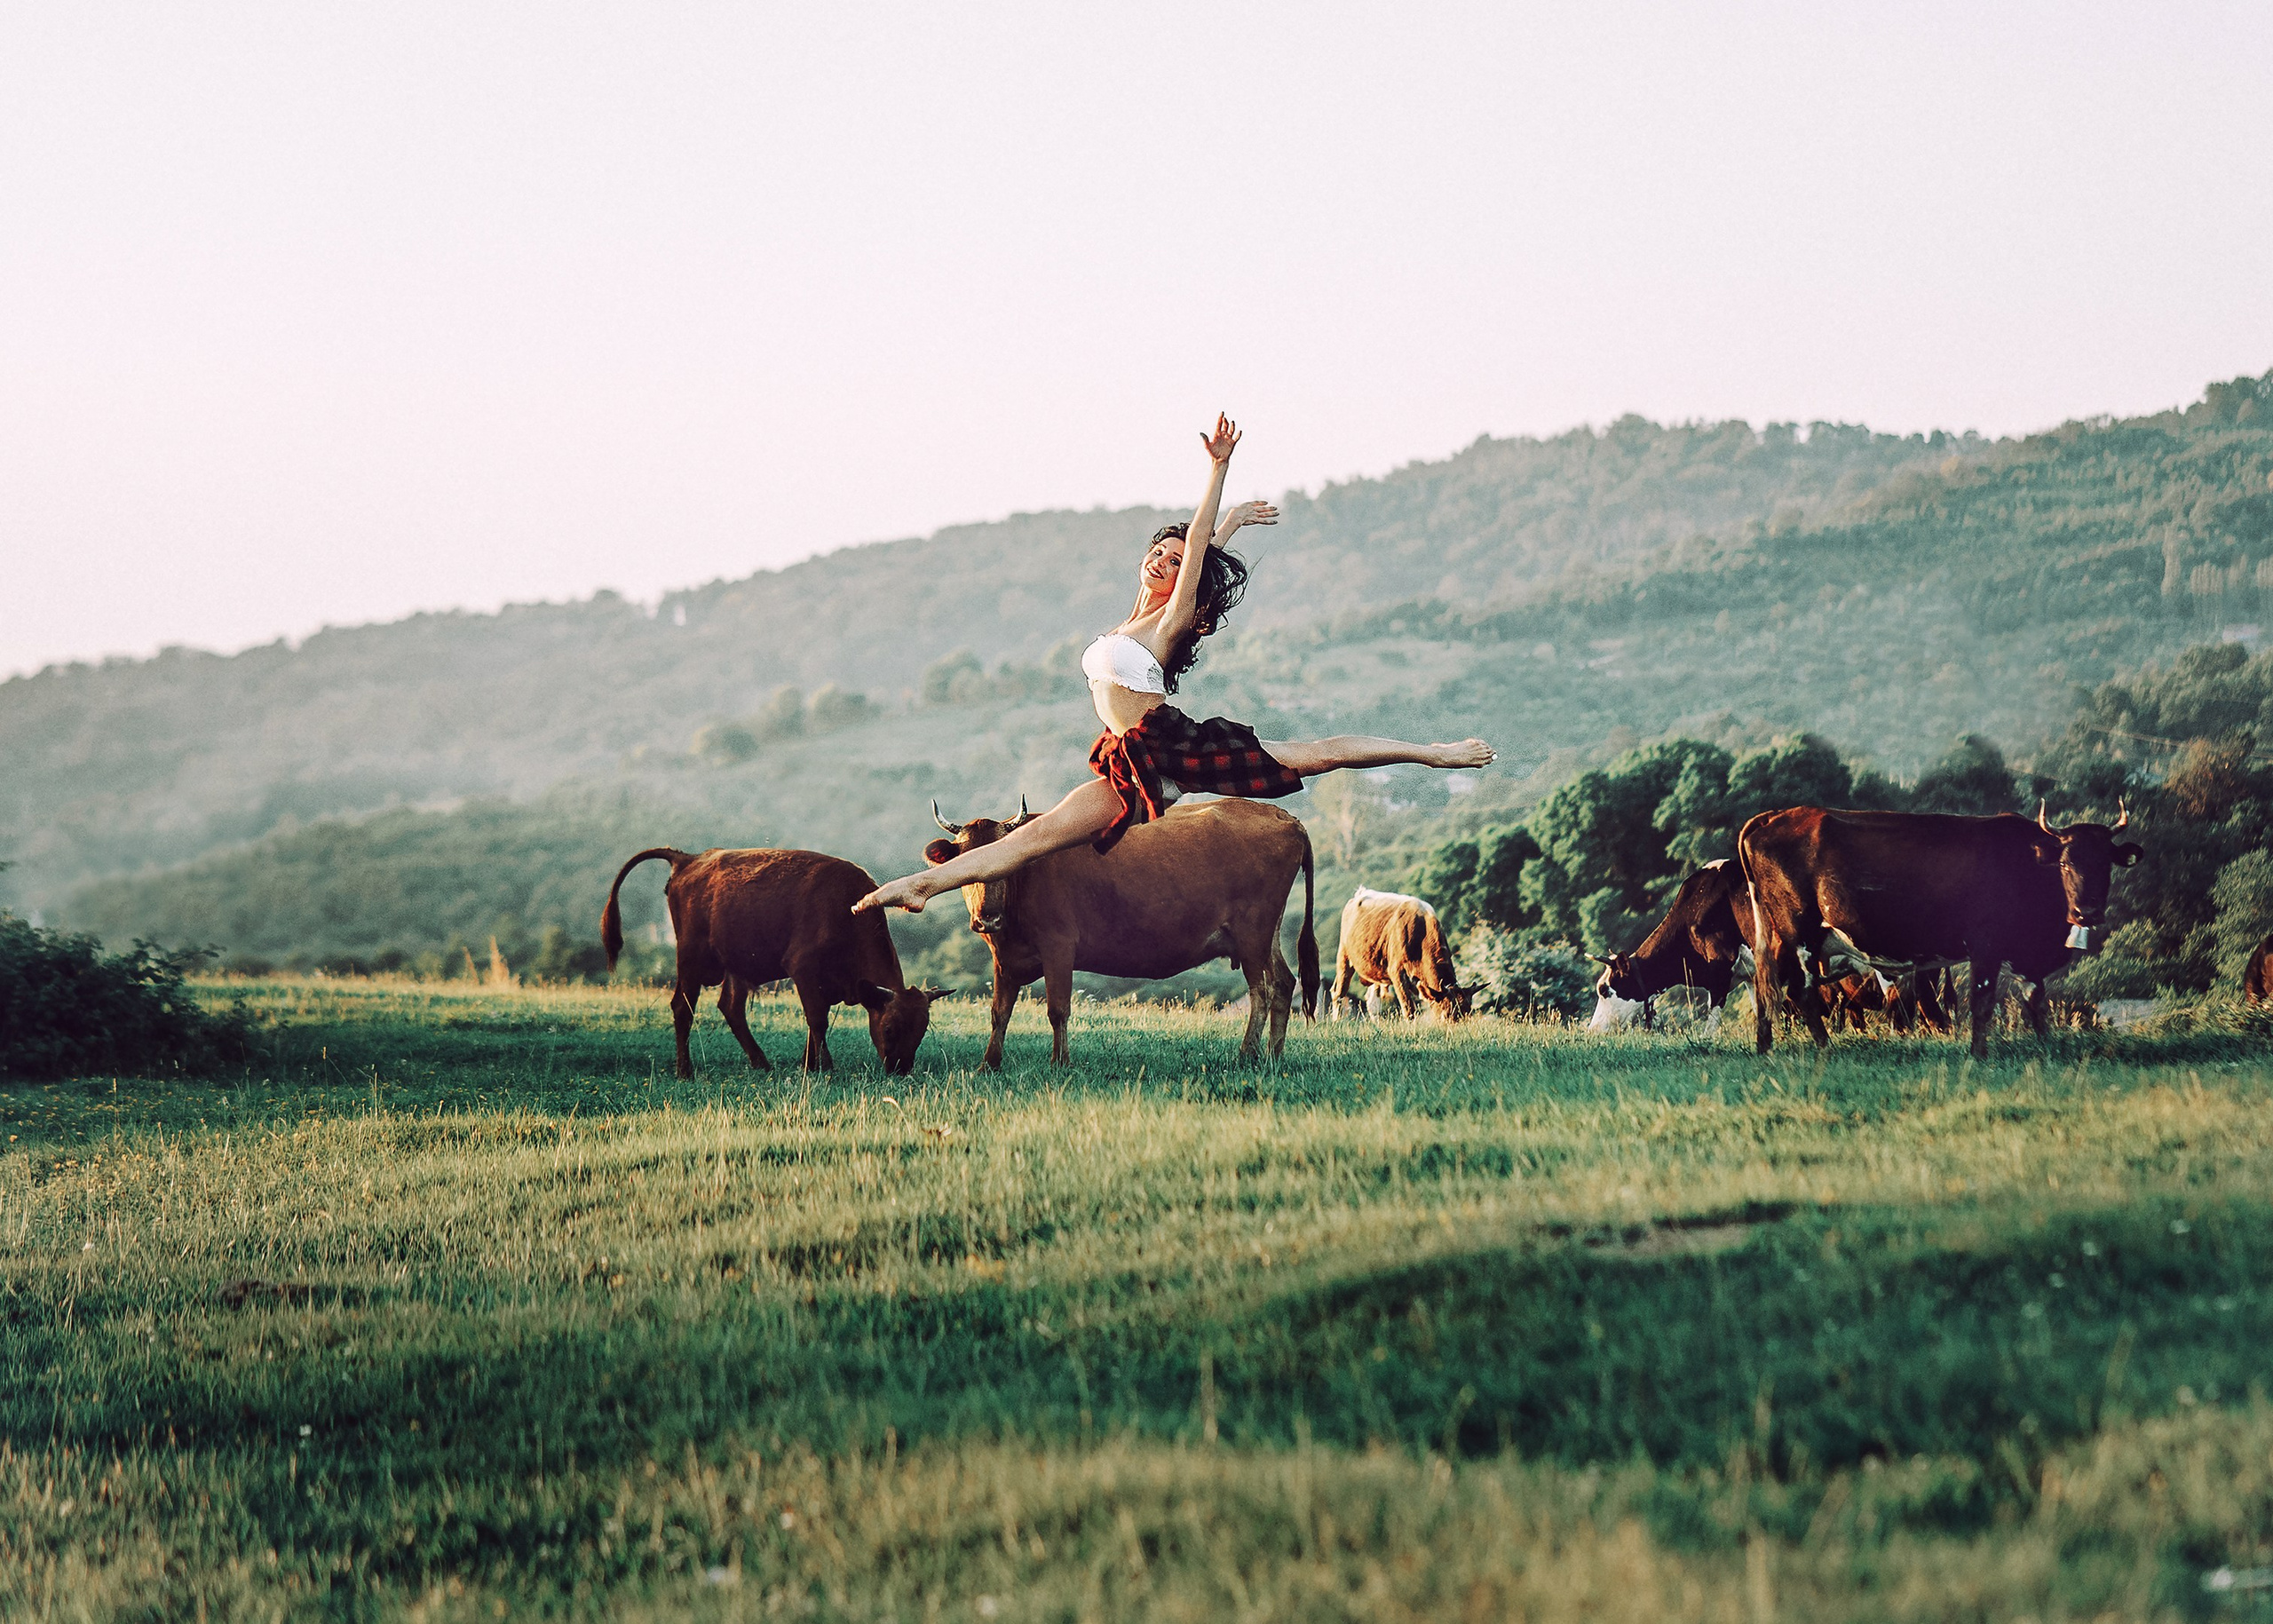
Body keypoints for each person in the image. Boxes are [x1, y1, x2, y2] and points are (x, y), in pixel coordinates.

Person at [852, 415, 1494, 915]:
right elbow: (1195, 553)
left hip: (1172, 744)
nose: (1164, 560)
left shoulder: (1167, 622)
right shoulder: (1132, 621)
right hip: (1131, 756)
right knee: (1033, 839)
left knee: (1317, 752)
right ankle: (921, 887)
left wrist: (1219, 476)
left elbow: (1194, 562)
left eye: (1174, 557)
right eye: (1157, 551)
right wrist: (1230, 527)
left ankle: (1435, 752)